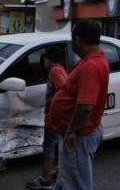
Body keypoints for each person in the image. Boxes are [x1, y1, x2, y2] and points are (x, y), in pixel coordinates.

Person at [50, 19, 109, 190]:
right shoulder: (92, 60)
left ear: (78, 39)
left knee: (77, 184)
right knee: (66, 179)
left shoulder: (91, 66)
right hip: (77, 133)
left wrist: (71, 131)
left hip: (78, 136)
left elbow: (85, 107)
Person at [26, 47, 68, 190]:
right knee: (57, 146)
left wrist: (53, 108)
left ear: (47, 60)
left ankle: (45, 179)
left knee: (49, 146)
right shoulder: (60, 69)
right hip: (57, 118)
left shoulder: (55, 71)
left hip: (53, 119)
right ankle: (58, 174)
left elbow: (63, 89)